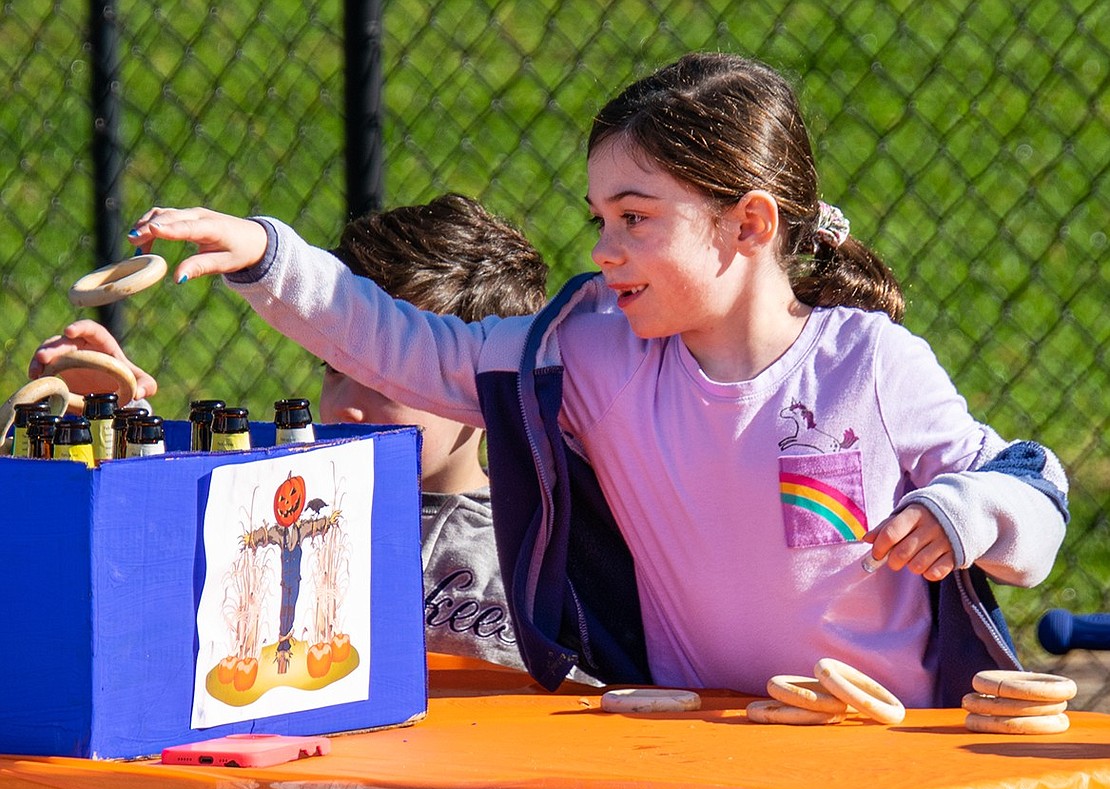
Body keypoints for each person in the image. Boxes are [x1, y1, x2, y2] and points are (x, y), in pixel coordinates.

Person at [123, 53, 1068, 708]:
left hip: (883, 746)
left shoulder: (870, 361)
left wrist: (968, 509)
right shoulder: (595, 356)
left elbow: (1030, 489)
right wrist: (270, 259)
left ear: (747, 224)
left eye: (634, 217)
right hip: (692, 737)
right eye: (599, 217)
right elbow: (417, 348)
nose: (604, 250)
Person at [30, 194, 549, 673]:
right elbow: (175, 553)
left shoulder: (538, 543)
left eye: (385, 380)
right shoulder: (295, 500)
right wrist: (121, 420)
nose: (347, 406)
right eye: (334, 368)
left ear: (474, 383)